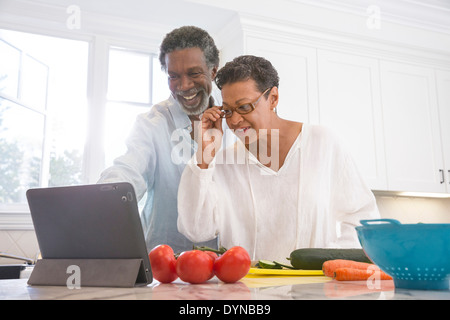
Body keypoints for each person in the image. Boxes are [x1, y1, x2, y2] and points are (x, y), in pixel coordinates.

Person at [177, 55, 380, 262]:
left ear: (273, 98)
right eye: (227, 111)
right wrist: (204, 154)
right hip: (246, 291)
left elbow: (363, 217)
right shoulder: (224, 162)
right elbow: (196, 230)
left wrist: (329, 260)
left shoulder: (323, 143)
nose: (235, 120)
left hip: (314, 289)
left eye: (244, 107)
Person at [98, 26, 222, 253]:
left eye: (194, 73)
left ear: (213, 71)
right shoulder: (151, 124)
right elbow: (128, 170)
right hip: (164, 268)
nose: (184, 86)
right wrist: (102, 202)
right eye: (174, 76)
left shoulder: (236, 123)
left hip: (226, 265)